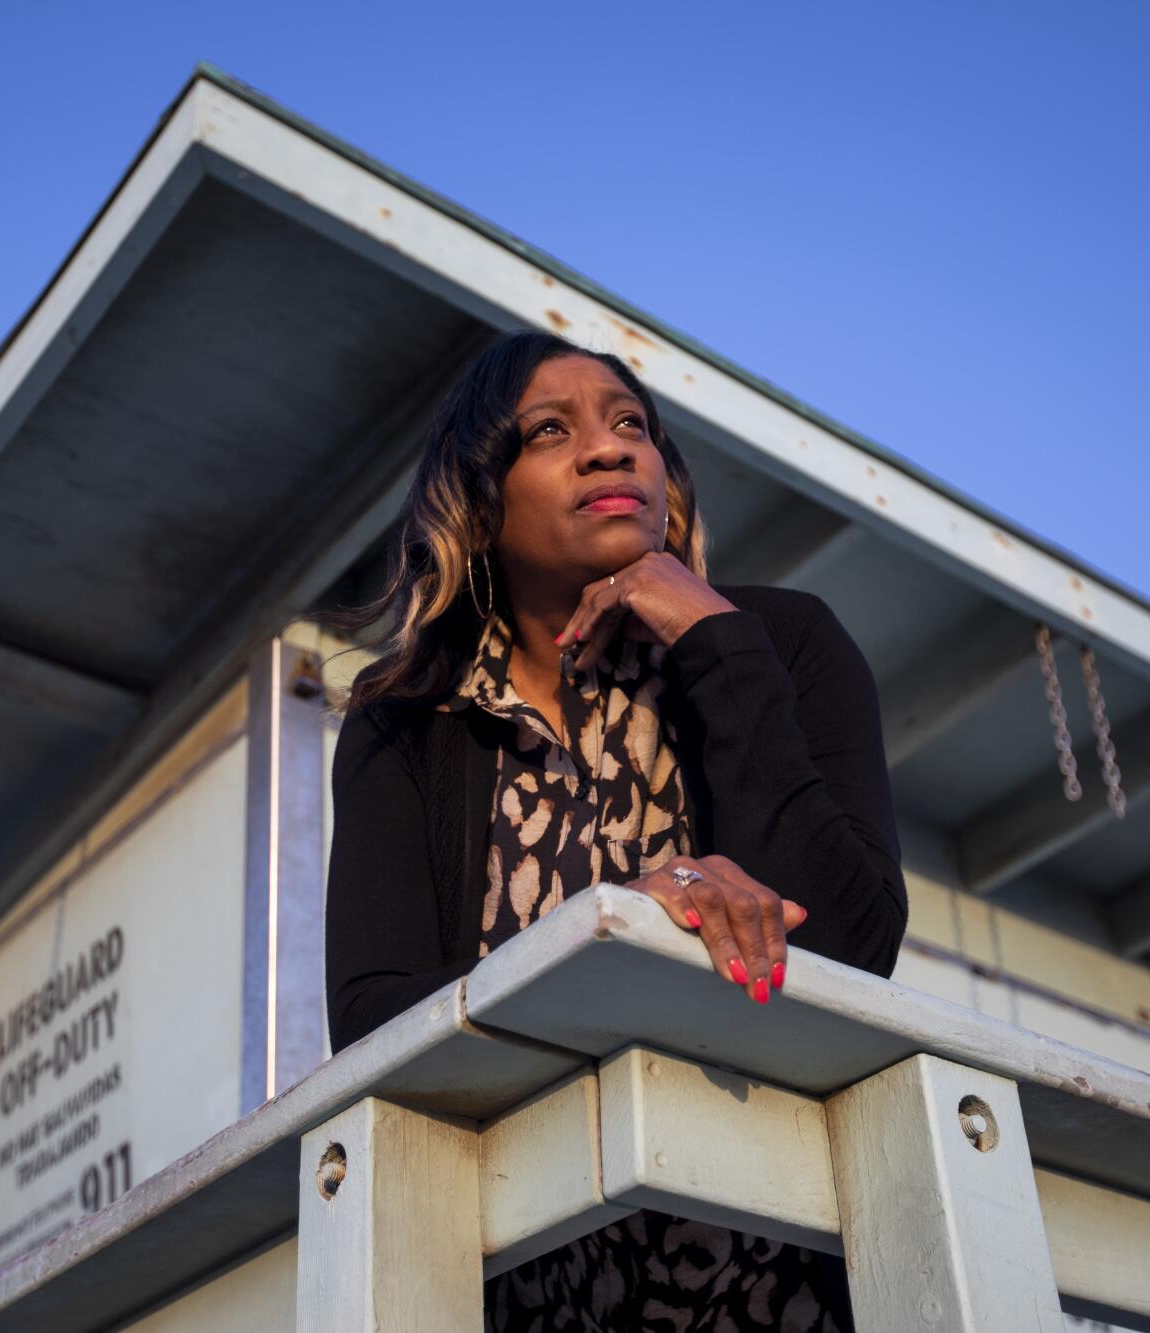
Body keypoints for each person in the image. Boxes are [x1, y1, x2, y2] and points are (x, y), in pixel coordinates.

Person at [312, 329, 908, 1332]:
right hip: (525, 1291)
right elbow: (375, 1026)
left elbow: (850, 944)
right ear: (480, 496)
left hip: (778, 1290)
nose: (608, 448)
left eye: (631, 424)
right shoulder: (403, 725)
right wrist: (609, 927)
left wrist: (717, 642)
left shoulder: (787, 641)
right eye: (551, 430)